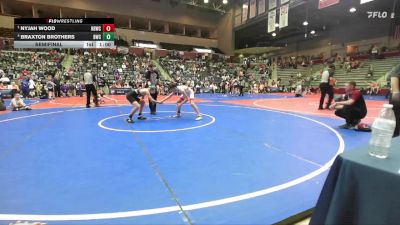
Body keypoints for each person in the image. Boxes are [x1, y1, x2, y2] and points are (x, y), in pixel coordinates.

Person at [387, 64, 400, 137]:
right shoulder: (397, 68)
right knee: (395, 114)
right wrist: (396, 92)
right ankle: (395, 133)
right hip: (397, 95)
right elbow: (394, 76)